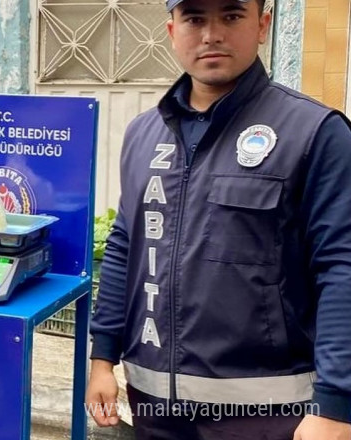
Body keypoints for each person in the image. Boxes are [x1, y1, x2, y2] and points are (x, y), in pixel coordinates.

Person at [85, 0, 351, 438]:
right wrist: (102, 358)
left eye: (231, 16)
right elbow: (125, 248)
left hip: (268, 416)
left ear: (262, 24)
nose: (211, 34)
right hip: (156, 412)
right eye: (194, 18)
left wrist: (336, 404)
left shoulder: (314, 133)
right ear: (171, 30)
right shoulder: (143, 134)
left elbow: (342, 269)